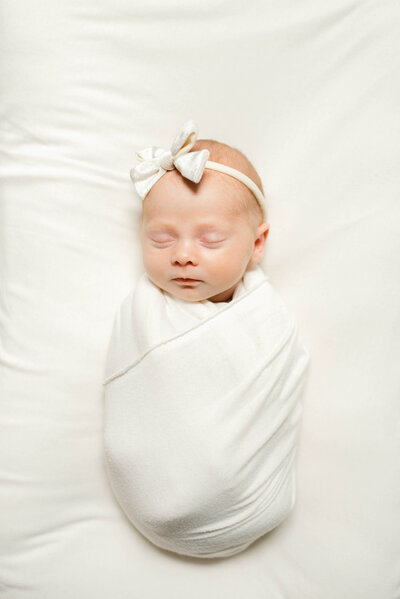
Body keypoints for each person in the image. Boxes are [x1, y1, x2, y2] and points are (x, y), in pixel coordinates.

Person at [102, 121, 309, 560]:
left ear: (257, 244)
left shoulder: (265, 322)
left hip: (244, 502)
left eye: (211, 239)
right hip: (150, 495)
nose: (183, 254)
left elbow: (277, 384)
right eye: (161, 237)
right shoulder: (142, 313)